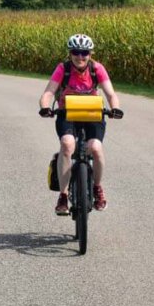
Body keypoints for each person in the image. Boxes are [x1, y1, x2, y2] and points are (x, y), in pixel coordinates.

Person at [38, 33, 123, 215]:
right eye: (76, 52)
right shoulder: (63, 69)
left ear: (90, 53)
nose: (80, 56)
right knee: (67, 144)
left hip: (93, 113)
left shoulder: (97, 68)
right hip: (67, 113)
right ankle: (63, 195)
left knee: (96, 148)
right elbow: (48, 93)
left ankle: (97, 189)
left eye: (84, 52)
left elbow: (110, 94)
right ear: (70, 53)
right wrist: (45, 107)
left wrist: (115, 108)